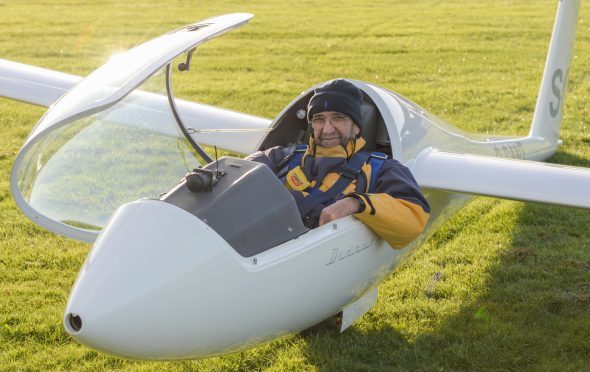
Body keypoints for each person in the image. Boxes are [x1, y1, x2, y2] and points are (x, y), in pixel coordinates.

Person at [246, 79, 430, 249]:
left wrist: (356, 202)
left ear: (357, 126)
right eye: (319, 119)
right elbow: (238, 176)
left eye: (338, 118)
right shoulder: (282, 157)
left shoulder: (380, 169)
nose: (327, 129)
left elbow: (414, 217)